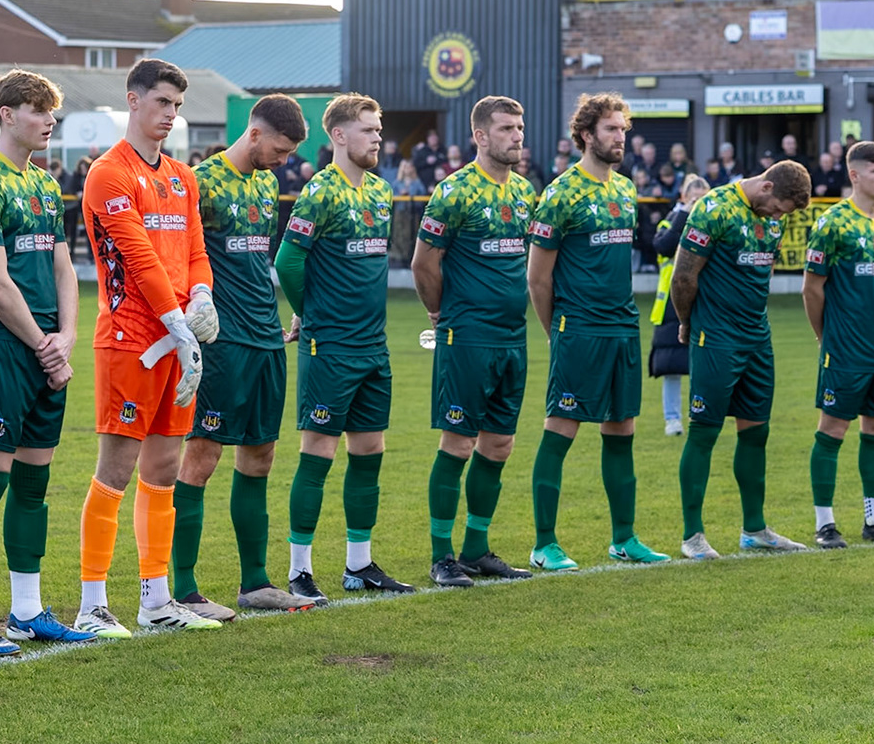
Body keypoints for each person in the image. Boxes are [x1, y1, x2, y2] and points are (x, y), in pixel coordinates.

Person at [0, 70, 92, 655]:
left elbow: (63, 266)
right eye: (38, 110)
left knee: (34, 485)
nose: (49, 120)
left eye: (50, 111)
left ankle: (27, 612)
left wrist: (67, 337)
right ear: (7, 115)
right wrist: (43, 345)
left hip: (47, 348)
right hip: (3, 347)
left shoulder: (43, 183)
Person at [76, 58, 222, 636]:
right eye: (162, 102)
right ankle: (91, 605)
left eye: (178, 106)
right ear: (133, 100)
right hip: (130, 339)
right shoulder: (108, 173)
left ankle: (156, 601)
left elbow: (195, 249)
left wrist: (202, 294)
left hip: (178, 339)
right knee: (115, 469)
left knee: (164, 468)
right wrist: (178, 324)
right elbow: (136, 257)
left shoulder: (183, 176)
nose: (171, 114)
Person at [177, 95, 321, 615]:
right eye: (280, 150)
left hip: (266, 339)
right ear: (255, 133)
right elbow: (180, 258)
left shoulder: (265, 183)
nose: (284, 161)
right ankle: (184, 589)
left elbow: (260, 262)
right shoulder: (200, 182)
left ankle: (256, 583)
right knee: (202, 457)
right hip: (222, 343)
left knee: (261, 455)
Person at [274, 95, 411, 602]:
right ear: (338, 135)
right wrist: (311, 314)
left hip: (374, 345)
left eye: (378, 129)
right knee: (318, 453)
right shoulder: (320, 191)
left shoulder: (380, 190)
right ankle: (300, 571)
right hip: (330, 345)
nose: (378, 137)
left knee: (369, 451)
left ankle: (359, 565)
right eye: (368, 129)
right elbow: (288, 263)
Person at [525, 93, 669, 571]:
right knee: (561, 429)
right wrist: (557, 332)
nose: (620, 137)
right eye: (611, 129)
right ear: (586, 134)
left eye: (623, 129)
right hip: (579, 328)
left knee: (622, 430)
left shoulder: (626, 190)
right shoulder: (561, 193)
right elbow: (537, 278)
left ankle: (624, 538)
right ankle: (544, 544)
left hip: (622, 327)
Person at [412, 95, 540, 587]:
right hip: (466, 336)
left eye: (519, 127)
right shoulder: (454, 190)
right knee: (459, 442)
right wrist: (441, 312)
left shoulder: (524, 191)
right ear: (480, 136)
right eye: (507, 128)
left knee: (500, 443)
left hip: (513, 337)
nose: (517, 136)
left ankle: (476, 550)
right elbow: (424, 263)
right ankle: (441, 556)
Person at [667, 158, 813, 559]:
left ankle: (755, 529)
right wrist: (686, 322)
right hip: (715, 335)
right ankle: (692, 536)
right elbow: (684, 276)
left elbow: (762, 271)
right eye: (778, 208)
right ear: (766, 187)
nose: (778, 217)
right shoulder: (714, 209)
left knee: (756, 432)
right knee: (704, 431)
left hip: (757, 337)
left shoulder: (775, 219)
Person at [801, 141, 874, 550]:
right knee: (832, 429)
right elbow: (811, 288)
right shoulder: (832, 223)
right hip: (845, 349)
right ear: (854, 175)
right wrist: (825, 337)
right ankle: (825, 523)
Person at [648, 175, 708, 436]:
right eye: (694, 199)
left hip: (704, 301)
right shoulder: (670, 221)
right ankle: (672, 419)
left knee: (703, 365)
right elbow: (663, 246)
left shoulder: (713, 225)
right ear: (683, 197)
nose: (698, 204)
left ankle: (700, 415)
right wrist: (684, 214)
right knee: (670, 367)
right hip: (670, 305)